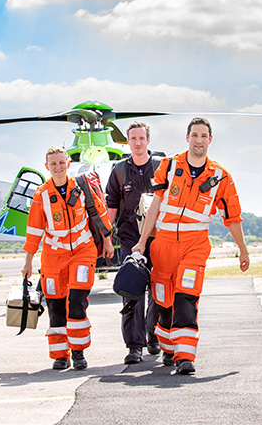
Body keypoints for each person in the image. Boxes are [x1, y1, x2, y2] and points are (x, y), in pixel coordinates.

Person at [132, 117, 250, 375]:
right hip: (162, 244)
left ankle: (185, 355)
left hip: (194, 244)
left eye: (204, 136)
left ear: (210, 139)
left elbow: (233, 217)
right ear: (187, 138)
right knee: (164, 301)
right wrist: (142, 243)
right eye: (195, 135)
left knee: (187, 296)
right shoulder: (169, 166)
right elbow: (154, 207)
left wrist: (242, 248)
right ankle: (168, 347)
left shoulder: (221, 177)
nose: (199, 140)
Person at [21, 146, 114, 370]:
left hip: (83, 250)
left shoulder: (82, 188)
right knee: (55, 304)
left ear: (68, 164)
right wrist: (28, 261)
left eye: (62, 162)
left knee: (77, 300)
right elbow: (34, 229)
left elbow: (100, 213)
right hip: (54, 255)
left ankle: (79, 352)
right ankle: (60, 355)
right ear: (46, 167)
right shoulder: (41, 195)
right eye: (53, 164)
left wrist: (108, 240)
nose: (58, 167)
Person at [105, 122, 161, 364]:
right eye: (133, 139)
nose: (137, 143)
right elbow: (111, 207)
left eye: (141, 138)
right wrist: (106, 236)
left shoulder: (162, 167)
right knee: (132, 291)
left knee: (159, 290)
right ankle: (134, 346)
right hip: (130, 239)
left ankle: (153, 332)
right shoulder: (119, 171)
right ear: (127, 142)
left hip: (158, 239)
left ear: (148, 140)